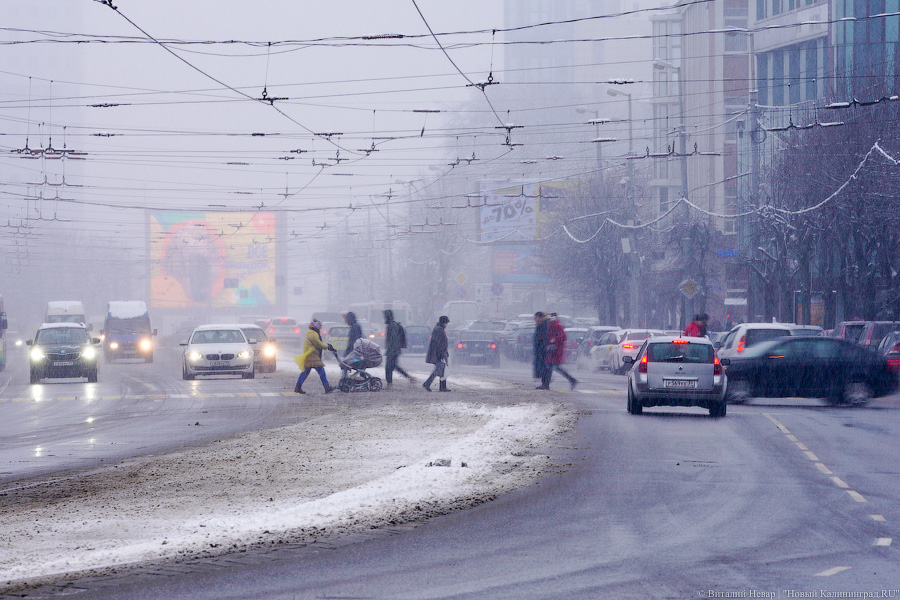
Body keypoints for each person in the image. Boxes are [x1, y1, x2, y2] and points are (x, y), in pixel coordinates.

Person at [294, 319, 335, 394]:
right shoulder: (313, 335)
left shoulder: (312, 334)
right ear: (316, 326)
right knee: (321, 371)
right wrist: (328, 346)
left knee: (305, 372)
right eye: (319, 326)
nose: (320, 328)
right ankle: (327, 387)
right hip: (312, 356)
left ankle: (298, 387)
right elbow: (319, 344)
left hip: (310, 355)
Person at [546, 312, 578, 390]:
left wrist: (554, 339)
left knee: (552, 366)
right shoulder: (552, 325)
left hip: (556, 350)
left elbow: (563, 337)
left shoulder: (557, 325)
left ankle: (547, 382)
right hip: (553, 349)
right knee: (553, 366)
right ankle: (547, 382)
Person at [383, 309, 413, 389]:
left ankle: (389, 384)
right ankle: (409, 377)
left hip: (393, 350)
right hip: (394, 350)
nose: (384, 318)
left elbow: (393, 339)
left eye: (385, 316)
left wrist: (390, 350)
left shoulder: (392, 326)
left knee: (389, 367)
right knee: (393, 366)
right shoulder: (392, 325)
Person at [423, 315, 450, 392]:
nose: (446, 325)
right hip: (439, 353)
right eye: (446, 323)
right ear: (443, 323)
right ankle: (428, 384)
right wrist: (441, 353)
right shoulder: (439, 330)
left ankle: (442, 387)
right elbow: (439, 343)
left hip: (439, 353)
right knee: (439, 370)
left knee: (441, 370)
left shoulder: (438, 328)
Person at [532, 311, 551, 389]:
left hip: (542, 350)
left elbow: (543, 337)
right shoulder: (541, 324)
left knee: (544, 367)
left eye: (536, 317)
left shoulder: (543, 325)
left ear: (539, 317)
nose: (535, 319)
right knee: (542, 366)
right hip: (540, 349)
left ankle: (545, 383)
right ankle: (545, 382)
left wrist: (542, 347)